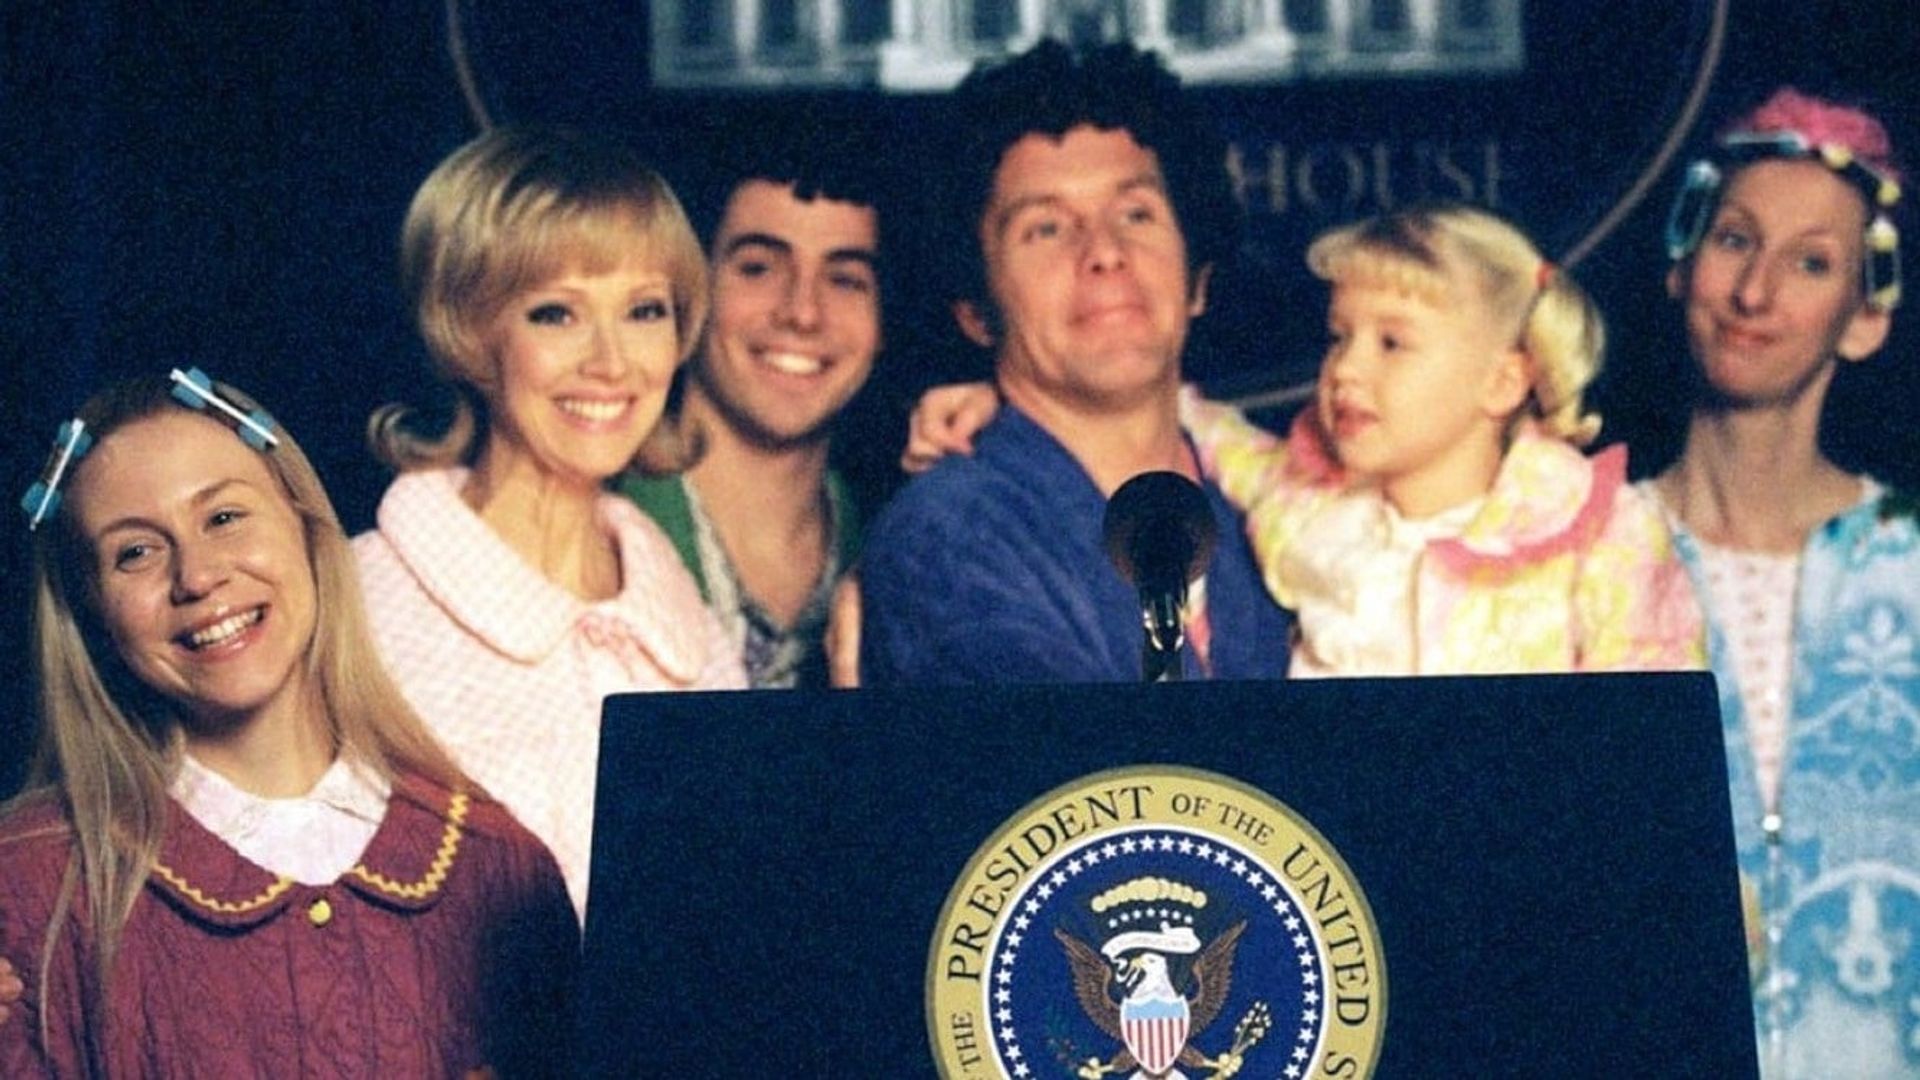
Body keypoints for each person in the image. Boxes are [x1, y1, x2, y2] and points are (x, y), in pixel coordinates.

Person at [1, 371, 576, 1075]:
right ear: (92, 613)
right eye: (135, 552)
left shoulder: (500, 865)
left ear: (306, 528)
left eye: (224, 517)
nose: (198, 576)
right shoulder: (30, 885)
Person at [911, 205, 1705, 674]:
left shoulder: (1599, 533)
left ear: (1502, 381)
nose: (1347, 371)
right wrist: (1006, 392)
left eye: (1392, 344)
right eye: (1338, 338)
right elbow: (1190, 420)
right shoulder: (1306, 504)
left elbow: (1653, 751)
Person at [354, 127, 746, 922]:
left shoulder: (696, 638)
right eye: (556, 313)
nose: (611, 362)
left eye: (644, 311)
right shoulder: (362, 602)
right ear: (471, 332)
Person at [856, 40, 1293, 685]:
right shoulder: (950, 540)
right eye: (1046, 228)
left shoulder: (1275, 502)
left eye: (1135, 213)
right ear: (976, 310)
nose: (1104, 252)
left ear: (1196, 280)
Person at [1651, 87, 1917, 1078]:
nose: (1756, 293)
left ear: (1864, 316)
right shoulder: (1587, 552)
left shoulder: (1911, 559)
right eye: (1734, 241)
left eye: (1812, 262)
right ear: (1683, 259)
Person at [617, 123, 881, 689]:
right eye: (759, 267)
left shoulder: (897, 537)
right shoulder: (594, 519)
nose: (802, 313)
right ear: (690, 288)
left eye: (845, 278)